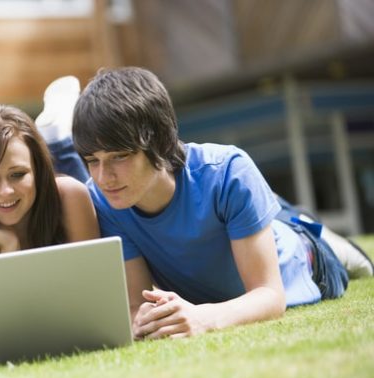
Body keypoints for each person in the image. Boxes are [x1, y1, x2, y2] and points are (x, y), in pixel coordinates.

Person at [36, 68, 373, 340]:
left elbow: (270, 296)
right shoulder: (106, 201)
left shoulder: (227, 170)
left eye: (120, 156)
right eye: (91, 160)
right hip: (218, 214)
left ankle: (327, 238)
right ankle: (65, 145)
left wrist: (204, 318)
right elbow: (137, 305)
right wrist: (146, 319)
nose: (103, 175)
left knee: (307, 233)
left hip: (310, 260)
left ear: (159, 141)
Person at [0, 104, 99, 259]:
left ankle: (58, 139)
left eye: (18, 174)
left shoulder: (72, 196)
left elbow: (95, 278)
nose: (6, 191)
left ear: (37, 171)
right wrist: (9, 247)